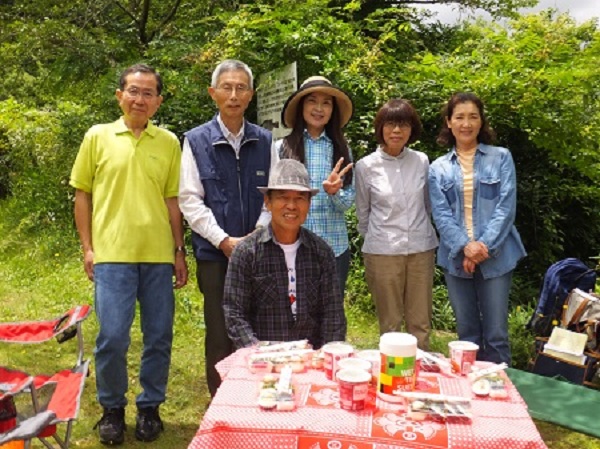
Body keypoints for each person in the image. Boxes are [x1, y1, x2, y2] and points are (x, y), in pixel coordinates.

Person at [70, 63, 188, 445]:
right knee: (113, 337)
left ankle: (150, 407)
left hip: (157, 256)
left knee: (158, 336)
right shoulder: (97, 137)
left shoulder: (169, 142)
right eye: (133, 91)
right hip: (111, 255)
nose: (140, 98)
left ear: (159, 100)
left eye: (148, 92)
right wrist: (88, 247)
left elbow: (173, 200)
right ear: (119, 95)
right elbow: (82, 194)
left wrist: (179, 250)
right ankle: (112, 409)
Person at [179, 60, 276, 397]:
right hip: (214, 255)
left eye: (241, 88)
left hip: (260, 250)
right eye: (227, 87)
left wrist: (254, 237)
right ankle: (221, 402)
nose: (233, 95)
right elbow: (190, 199)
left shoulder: (266, 141)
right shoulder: (195, 140)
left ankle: (256, 397)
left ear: (250, 95)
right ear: (213, 93)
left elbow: (272, 198)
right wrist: (223, 241)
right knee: (220, 331)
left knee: (258, 326)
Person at [428, 92, 526, 365]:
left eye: (473, 116)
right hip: (456, 257)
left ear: (482, 121)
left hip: (496, 255)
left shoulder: (501, 158)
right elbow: (441, 214)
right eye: (459, 117)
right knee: (466, 334)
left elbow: (506, 207)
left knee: (496, 334)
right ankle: (471, 397)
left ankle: (501, 400)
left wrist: (482, 247)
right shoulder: (438, 168)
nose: (466, 123)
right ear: (449, 122)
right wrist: (465, 247)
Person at [223, 159, 347, 348]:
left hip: (310, 358)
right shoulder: (246, 252)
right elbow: (235, 314)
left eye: (299, 198)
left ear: (309, 203)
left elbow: (333, 314)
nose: (291, 206)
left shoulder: (321, 252)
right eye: (283, 197)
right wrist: (261, 353)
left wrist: (326, 355)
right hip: (261, 358)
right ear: (268, 202)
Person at [355, 99, 438, 350]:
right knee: (390, 324)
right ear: (380, 128)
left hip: (421, 250)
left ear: (412, 129)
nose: (397, 131)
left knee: (420, 323)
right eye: (390, 124)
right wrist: (379, 240)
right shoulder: (366, 166)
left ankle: (420, 377)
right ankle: (390, 379)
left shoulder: (422, 161)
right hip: (383, 252)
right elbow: (363, 212)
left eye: (403, 125)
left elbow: (428, 204)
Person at [278, 76, 354, 298]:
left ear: (333, 110)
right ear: (302, 105)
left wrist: (334, 193)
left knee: (330, 315)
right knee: (293, 312)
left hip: (335, 247)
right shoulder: (282, 148)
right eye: (312, 101)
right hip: (292, 246)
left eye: (326, 103)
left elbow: (348, 202)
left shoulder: (342, 149)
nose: (319, 108)